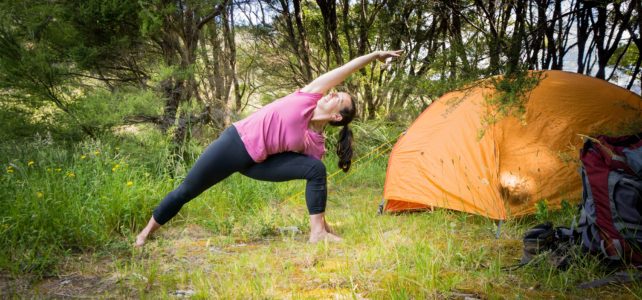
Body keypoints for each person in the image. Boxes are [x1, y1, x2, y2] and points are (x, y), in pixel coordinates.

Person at [135, 50, 403, 246]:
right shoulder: (306, 99)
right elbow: (343, 70)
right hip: (235, 144)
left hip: (259, 164)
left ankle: (317, 234)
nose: (333, 93)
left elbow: (316, 183)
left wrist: (325, 224)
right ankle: (145, 233)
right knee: (188, 190)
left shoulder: (315, 143)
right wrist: (374, 56)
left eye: (339, 98)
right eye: (336, 91)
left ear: (337, 117)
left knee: (316, 169)